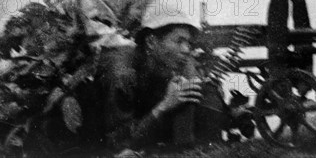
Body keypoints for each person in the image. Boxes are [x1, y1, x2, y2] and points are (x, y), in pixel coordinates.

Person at [94, 8, 229, 156]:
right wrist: (164, 105)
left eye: (188, 43)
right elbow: (117, 142)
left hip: (143, 131)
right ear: (151, 42)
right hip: (97, 143)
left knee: (205, 92)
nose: (186, 49)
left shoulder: (172, 62)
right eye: (179, 41)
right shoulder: (122, 74)